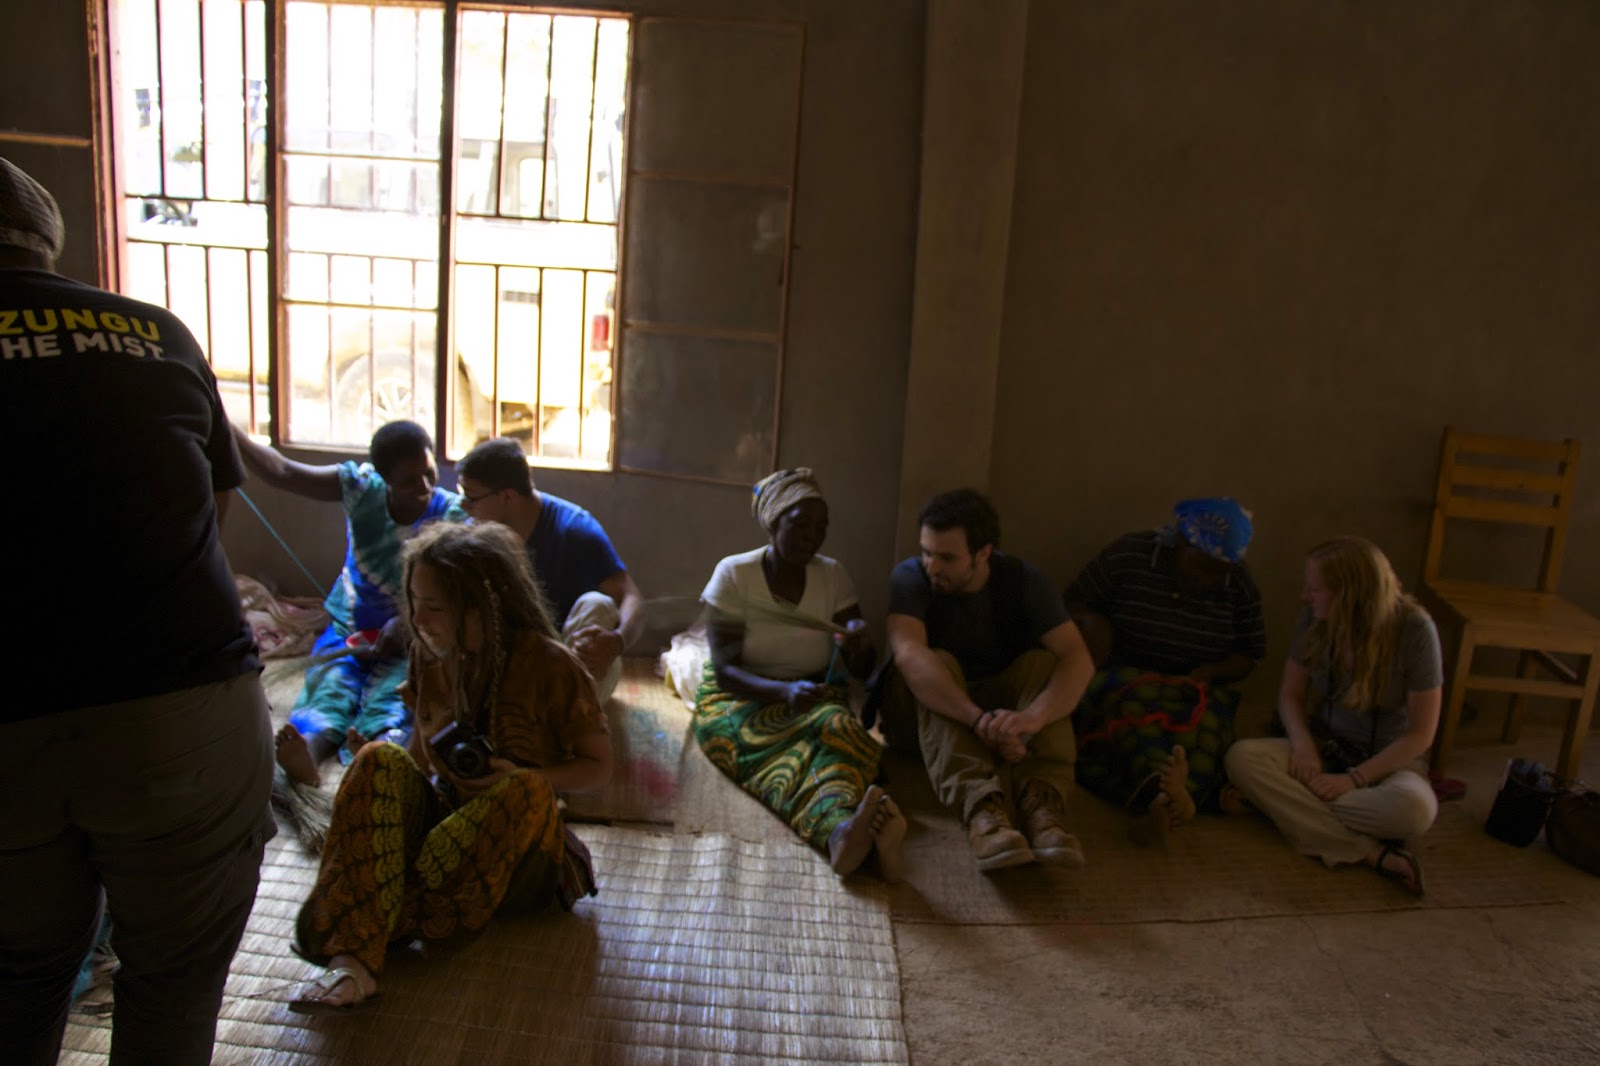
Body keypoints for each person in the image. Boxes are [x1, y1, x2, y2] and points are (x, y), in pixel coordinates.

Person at [0, 157, 275, 1065]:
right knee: (173, 985)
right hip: (183, 699)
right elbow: (211, 516)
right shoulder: (152, 332)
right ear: (51, 242)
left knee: (20, 978)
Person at [289, 521, 613, 1011]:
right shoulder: (429, 655)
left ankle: (391, 911)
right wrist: (378, 775)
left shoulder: (550, 664)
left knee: (523, 789)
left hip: (524, 855)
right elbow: (420, 757)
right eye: (414, 601)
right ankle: (353, 961)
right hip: (446, 829)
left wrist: (523, 777)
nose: (419, 618)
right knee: (380, 759)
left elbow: (599, 768)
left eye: (435, 606)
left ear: (486, 603)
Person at [694, 469, 908, 880]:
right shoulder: (734, 575)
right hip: (741, 697)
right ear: (775, 522)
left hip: (814, 695)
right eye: (801, 524)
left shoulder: (833, 576)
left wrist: (860, 645)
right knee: (762, 750)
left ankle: (845, 832)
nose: (813, 536)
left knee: (836, 728)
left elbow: (862, 670)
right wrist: (781, 692)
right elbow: (724, 674)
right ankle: (846, 833)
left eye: (822, 527)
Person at [232, 420, 464, 787]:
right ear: (384, 478)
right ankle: (306, 751)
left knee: (396, 701)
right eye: (409, 480)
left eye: (429, 472)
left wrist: (405, 627)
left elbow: (453, 596)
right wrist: (232, 431)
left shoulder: (452, 515)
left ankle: (378, 752)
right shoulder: (362, 489)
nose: (424, 486)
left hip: (414, 638)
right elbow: (281, 470)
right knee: (331, 687)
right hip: (349, 629)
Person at [878, 489, 1096, 872]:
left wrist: (1033, 719)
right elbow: (909, 655)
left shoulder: (1023, 580)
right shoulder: (911, 578)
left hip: (999, 717)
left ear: (983, 553)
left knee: (1043, 663)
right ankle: (982, 809)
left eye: (946, 557)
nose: (932, 566)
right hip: (921, 720)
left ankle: (1042, 806)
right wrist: (977, 720)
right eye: (927, 552)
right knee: (935, 663)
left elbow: (1078, 659)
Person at [1225, 536, 1442, 896]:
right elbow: (1290, 697)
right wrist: (1303, 745)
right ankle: (1372, 853)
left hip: (1388, 764)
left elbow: (1420, 734)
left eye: (1315, 589)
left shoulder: (1415, 630)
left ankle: (1278, 808)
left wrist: (1355, 779)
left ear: (1351, 594)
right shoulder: (1314, 619)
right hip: (1325, 750)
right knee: (1242, 758)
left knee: (1414, 812)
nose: (1305, 597)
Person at [1065, 498, 1266, 840]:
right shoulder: (1130, 554)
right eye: (1200, 567)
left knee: (1200, 737)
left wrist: (1212, 671)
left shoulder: (1239, 584)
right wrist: (1094, 626)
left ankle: (1163, 800)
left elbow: (1251, 653)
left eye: (1219, 573)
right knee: (1132, 725)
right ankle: (1171, 800)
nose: (1207, 581)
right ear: (1181, 543)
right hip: (1127, 678)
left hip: (1196, 686)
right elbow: (1073, 604)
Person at [456, 436, 644, 702]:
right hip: (519, 659)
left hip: (569, 658)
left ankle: (568, 714)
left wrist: (617, 641)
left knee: (598, 605)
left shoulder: (575, 530)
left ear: (507, 496)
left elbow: (632, 597)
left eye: (471, 498)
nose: (464, 506)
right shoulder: (476, 535)